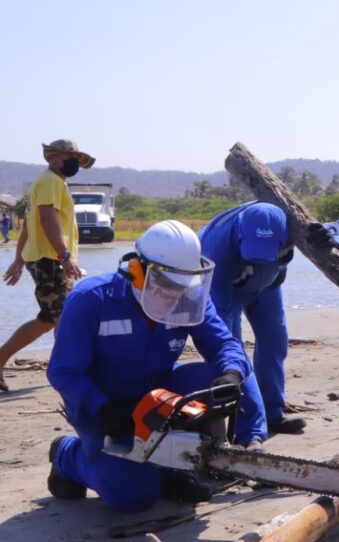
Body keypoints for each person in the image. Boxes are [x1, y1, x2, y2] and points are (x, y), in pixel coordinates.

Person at [45, 220, 269, 512]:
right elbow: (63, 371)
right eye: (167, 285)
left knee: (217, 373)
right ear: (137, 272)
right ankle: (68, 454)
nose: (174, 295)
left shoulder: (190, 299)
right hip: (104, 408)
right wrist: (102, 408)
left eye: (182, 285)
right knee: (133, 496)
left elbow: (224, 345)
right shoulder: (91, 300)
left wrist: (231, 374)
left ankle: (171, 466)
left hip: (157, 397)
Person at [199, 202, 339, 435]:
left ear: (283, 236)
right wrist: (229, 363)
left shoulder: (293, 225)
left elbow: (334, 238)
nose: (259, 259)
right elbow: (222, 335)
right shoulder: (215, 246)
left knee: (275, 343)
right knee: (233, 352)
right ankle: (246, 423)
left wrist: (332, 242)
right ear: (240, 235)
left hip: (269, 287)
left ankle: (272, 415)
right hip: (227, 289)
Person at [1, 139, 94, 393]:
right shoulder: (50, 182)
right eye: (70, 157)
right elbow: (45, 219)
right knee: (63, 317)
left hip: (46, 258)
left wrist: (19, 259)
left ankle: (2, 358)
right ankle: (67, 372)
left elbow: (31, 225)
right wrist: (65, 256)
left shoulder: (48, 183)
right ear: (54, 157)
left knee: (49, 318)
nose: (74, 162)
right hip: (49, 259)